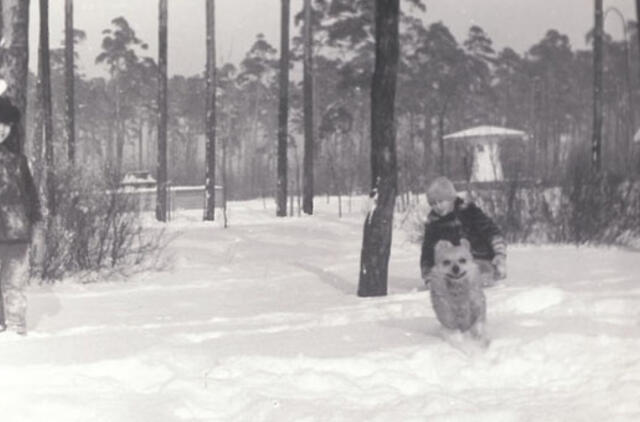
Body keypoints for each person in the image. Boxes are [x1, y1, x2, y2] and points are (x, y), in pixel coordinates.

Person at [0, 96, 42, 335]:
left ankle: (16, 329)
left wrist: (37, 228)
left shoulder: (18, 162)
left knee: (14, 285)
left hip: (16, 237)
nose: (1, 130)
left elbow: (31, 198)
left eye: (5, 124)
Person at [420, 176, 506, 288]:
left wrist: (499, 254)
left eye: (441, 201)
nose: (438, 206)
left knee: (477, 275)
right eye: (433, 204)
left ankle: (488, 277)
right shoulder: (433, 223)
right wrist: (428, 275)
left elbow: (491, 232)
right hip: (451, 267)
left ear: (451, 198)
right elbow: (427, 252)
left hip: (479, 259)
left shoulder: (469, 212)